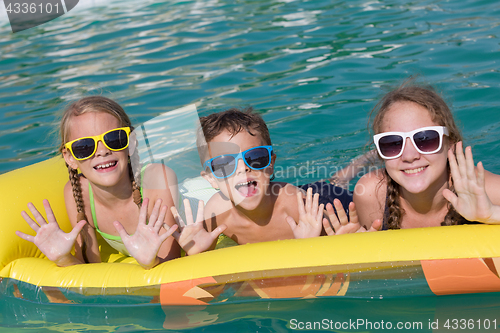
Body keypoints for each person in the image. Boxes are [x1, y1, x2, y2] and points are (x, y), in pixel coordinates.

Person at [169, 107, 379, 255]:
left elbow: (342, 249)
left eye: (256, 157)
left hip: (322, 201)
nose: (243, 167)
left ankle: (356, 166)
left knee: (336, 185)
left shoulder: (297, 207)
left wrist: (314, 245)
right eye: (224, 163)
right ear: (210, 178)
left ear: (270, 164)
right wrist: (198, 254)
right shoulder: (214, 215)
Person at [16, 96, 180, 269]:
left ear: (131, 142)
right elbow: (88, 271)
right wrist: (63, 259)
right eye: (84, 147)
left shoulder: (156, 180)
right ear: (70, 158)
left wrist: (151, 262)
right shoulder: (78, 192)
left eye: (114, 139)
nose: (102, 151)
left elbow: (172, 266)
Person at [354, 80, 500, 230]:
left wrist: (492, 214)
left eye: (425, 139)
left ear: (450, 143)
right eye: (393, 143)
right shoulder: (372, 195)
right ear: (380, 152)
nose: (409, 156)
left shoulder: (487, 192)